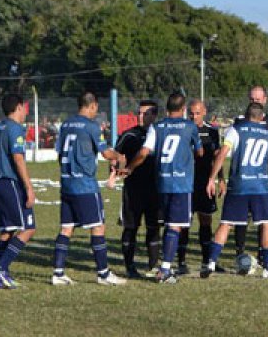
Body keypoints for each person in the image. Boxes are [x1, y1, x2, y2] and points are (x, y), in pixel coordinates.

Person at [124, 93, 203, 284]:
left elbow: (143, 152)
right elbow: (200, 151)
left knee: (169, 224)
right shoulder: (190, 126)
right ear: (183, 109)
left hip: (162, 183)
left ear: (167, 108)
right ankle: (165, 269)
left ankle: (165, 265)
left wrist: (129, 168)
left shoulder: (156, 127)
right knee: (174, 226)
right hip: (181, 184)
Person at [201, 102, 268, 279]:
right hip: (261, 186)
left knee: (226, 224)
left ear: (246, 116)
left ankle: (210, 263)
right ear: (262, 118)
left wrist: (212, 178)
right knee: (266, 224)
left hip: (239, 185)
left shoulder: (236, 130)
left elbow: (222, 153)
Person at [51, 92, 127, 286]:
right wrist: (119, 157)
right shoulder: (91, 126)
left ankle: (58, 272)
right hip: (85, 185)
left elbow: (59, 153)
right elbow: (105, 152)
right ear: (92, 105)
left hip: (67, 182)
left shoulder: (66, 125)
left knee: (66, 228)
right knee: (98, 226)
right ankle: (103, 273)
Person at [0, 94, 36, 288]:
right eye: (23, 108)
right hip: (10, 181)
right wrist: (28, 187)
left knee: (7, 229)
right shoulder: (15, 128)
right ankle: (1, 267)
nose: (25, 112)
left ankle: (3, 275)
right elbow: (18, 158)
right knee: (28, 227)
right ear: (17, 108)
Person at [112, 100, 162, 278]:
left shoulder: (161, 133)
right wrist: (115, 167)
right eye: (139, 113)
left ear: (154, 115)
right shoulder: (129, 135)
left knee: (154, 227)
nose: (141, 116)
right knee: (131, 227)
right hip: (133, 189)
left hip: (156, 189)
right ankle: (130, 266)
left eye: (146, 113)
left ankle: (153, 265)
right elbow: (116, 155)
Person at [232, 86, 268, 259]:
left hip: (265, 178)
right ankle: (240, 253)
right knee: (240, 218)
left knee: (265, 218)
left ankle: (263, 255)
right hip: (244, 177)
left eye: (258, 99)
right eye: (252, 99)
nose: (254, 102)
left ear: (265, 100)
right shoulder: (239, 122)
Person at [181, 99, 224, 274]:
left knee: (206, 220)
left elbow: (218, 157)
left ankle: (207, 260)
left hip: (205, 182)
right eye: (191, 113)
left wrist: (221, 179)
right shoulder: (183, 129)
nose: (194, 116)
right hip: (185, 182)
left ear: (204, 112)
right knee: (184, 222)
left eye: (197, 113)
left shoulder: (212, 132)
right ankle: (181, 262)